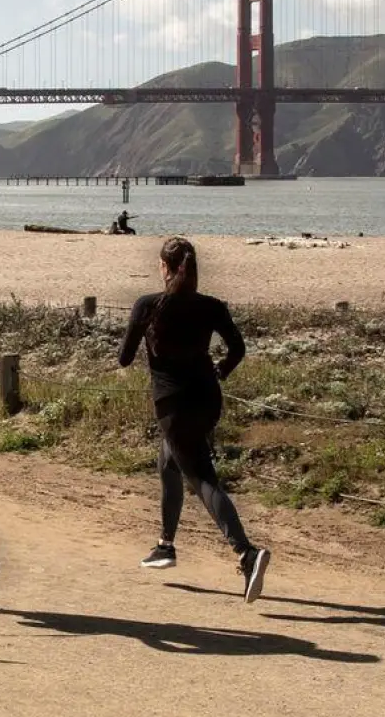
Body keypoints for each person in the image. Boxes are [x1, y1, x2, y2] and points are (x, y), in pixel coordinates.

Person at [117, 237, 270, 603]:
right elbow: (238, 348)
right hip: (207, 398)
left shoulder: (149, 305)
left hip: (173, 404)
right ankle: (165, 545)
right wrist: (222, 368)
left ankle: (246, 553)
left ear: (165, 268)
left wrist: (140, 338)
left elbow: (123, 358)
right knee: (169, 463)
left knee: (201, 478)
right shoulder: (212, 306)